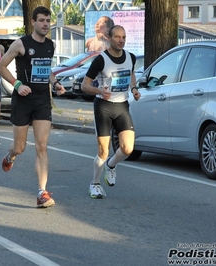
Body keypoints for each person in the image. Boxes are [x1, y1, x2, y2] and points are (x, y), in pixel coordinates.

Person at [0, 6, 65, 208]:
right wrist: (17, 84)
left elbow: (47, 70)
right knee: (20, 147)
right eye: (42, 20)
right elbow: (1, 66)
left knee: (42, 147)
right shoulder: (21, 44)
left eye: (48, 20)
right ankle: (10, 156)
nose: (45, 24)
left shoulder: (50, 45)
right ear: (33, 22)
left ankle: (41, 192)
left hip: (42, 100)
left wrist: (55, 83)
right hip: (23, 101)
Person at [81, 25, 141, 199]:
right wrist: (99, 91)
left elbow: (130, 74)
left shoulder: (130, 57)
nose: (121, 40)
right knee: (103, 151)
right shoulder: (100, 60)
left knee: (128, 148)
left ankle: (111, 165)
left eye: (123, 37)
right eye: (117, 37)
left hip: (122, 106)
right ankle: (95, 183)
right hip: (103, 107)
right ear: (109, 38)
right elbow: (85, 85)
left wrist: (134, 88)